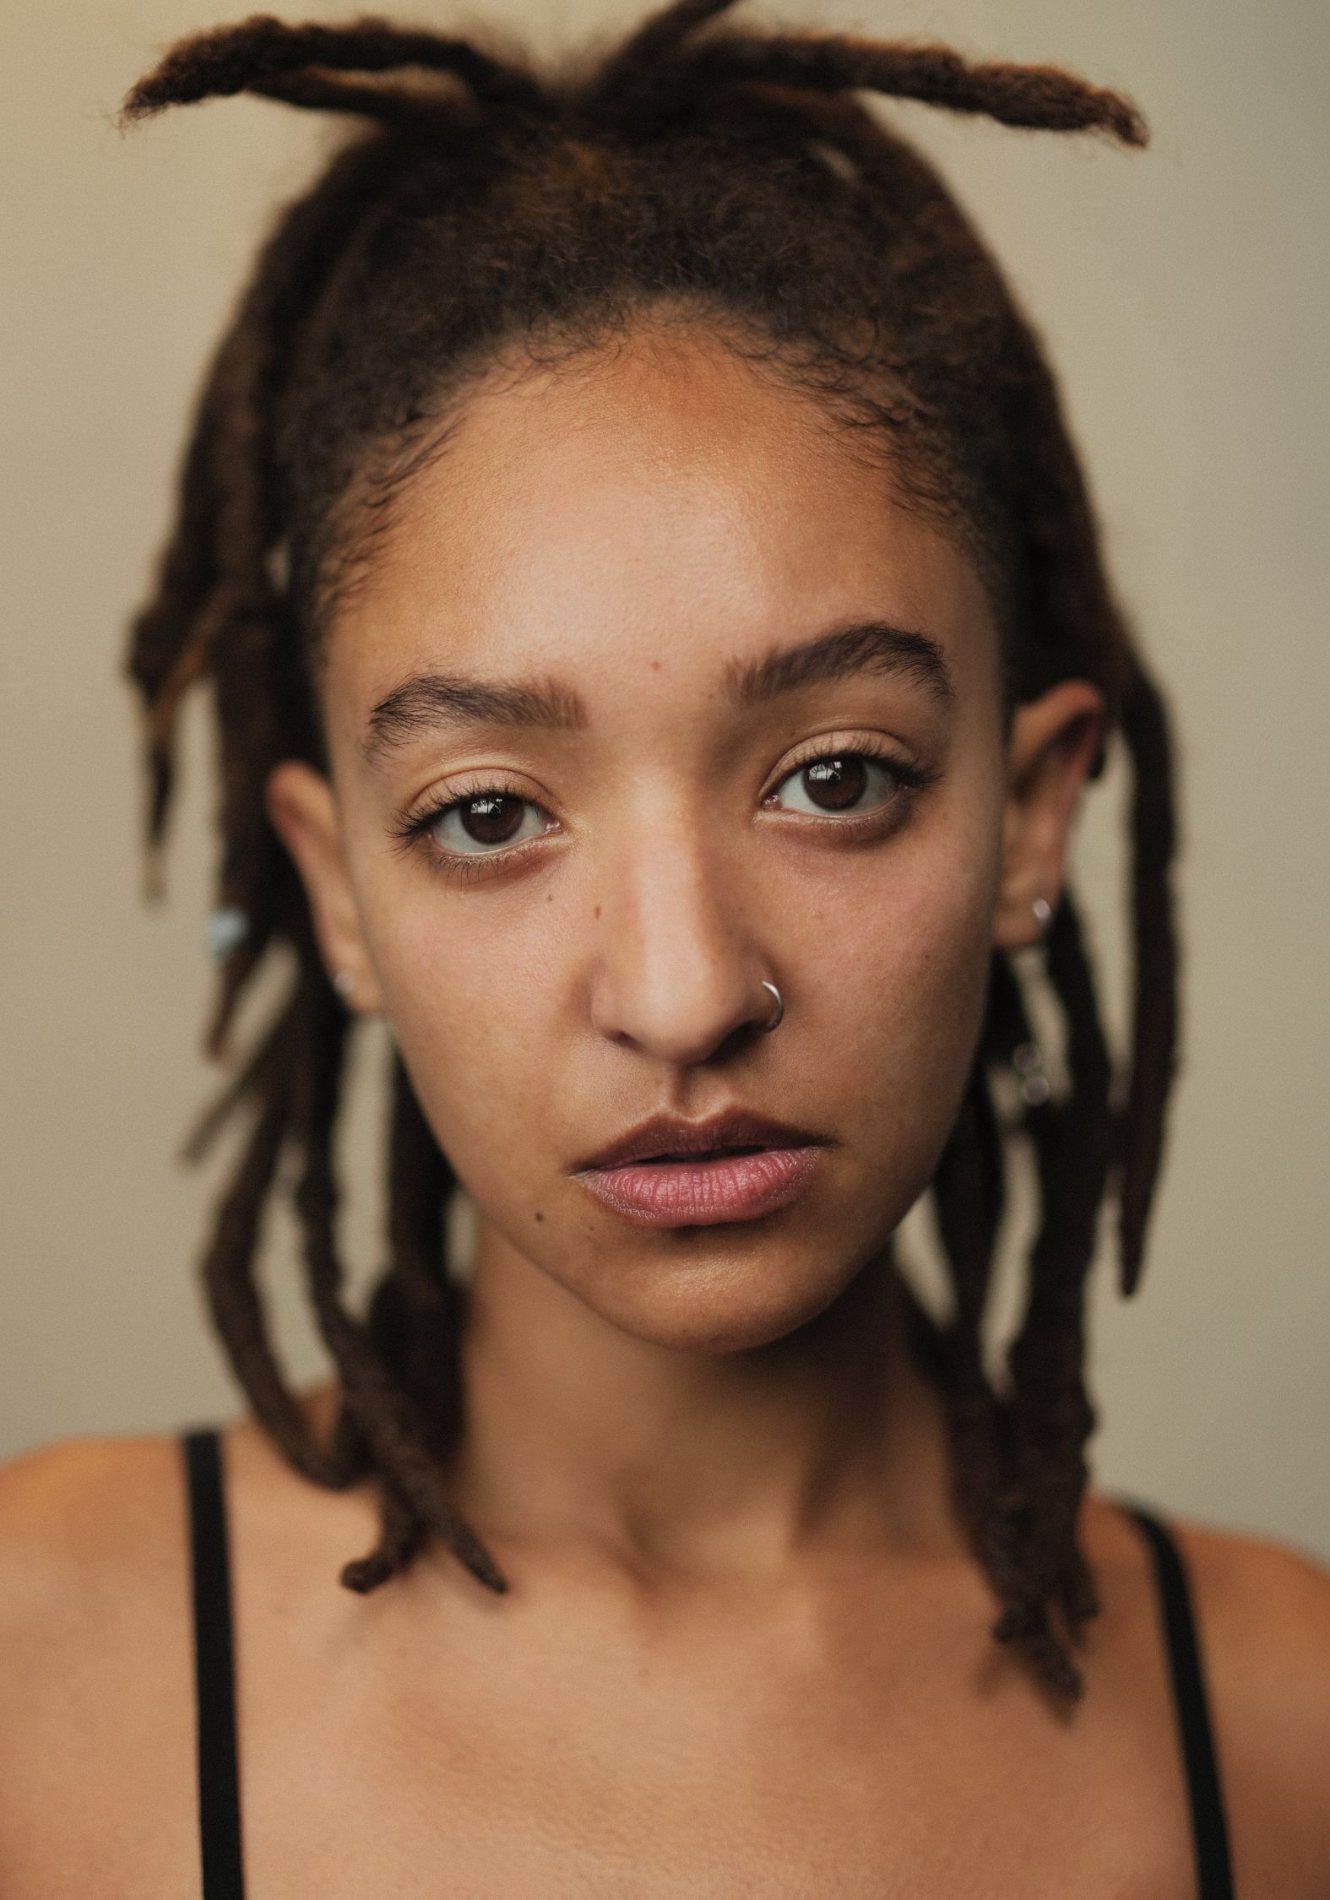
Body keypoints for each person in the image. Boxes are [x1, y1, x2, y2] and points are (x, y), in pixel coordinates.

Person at [1, 1, 1327, 1892]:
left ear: (1029, 817)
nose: (686, 991)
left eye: (835, 779)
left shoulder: (1285, 1736)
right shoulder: (41, 1673)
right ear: (336, 891)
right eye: (487, 816)